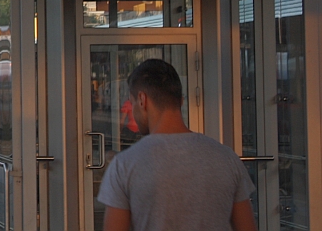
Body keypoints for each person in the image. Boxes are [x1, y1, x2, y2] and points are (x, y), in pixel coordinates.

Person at [99, 59, 256, 231]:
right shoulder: (227, 158)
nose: (133, 111)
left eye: (132, 102)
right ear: (180, 101)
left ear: (142, 100)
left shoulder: (124, 165)